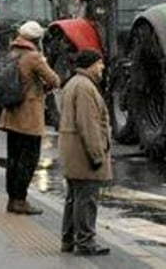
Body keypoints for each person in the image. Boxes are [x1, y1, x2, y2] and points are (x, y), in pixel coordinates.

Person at [0, 20, 61, 215]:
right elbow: (54, 79)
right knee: (29, 159)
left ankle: (12, 198)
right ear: (36, 39)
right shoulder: (33, 57)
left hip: (11, 115)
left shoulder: (12, 53)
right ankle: (20, 201)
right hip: (28, 117)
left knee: (14, 159)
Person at [59, 48, 112, 256]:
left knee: (74, 198)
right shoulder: (85, 87)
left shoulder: (74, 83)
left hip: (73, 152)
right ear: (91, 64)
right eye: (100, 64)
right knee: (86, 199)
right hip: (83, 154)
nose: (103, 68)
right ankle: (85, 242)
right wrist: (97, 155)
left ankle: (68, 239)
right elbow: (88, 125)